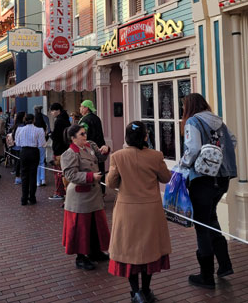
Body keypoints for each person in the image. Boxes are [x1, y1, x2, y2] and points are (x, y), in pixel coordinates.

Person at [107, 121, 172, 303]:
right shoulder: (155, 156)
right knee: (149, 252)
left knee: (129, 252)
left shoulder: (118, 156)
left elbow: (111, 183)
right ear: (145, 136)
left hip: (127, 210)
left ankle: (136, 292)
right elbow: (166, 177)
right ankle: (147, 289)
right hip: (150, 210)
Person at [178, 93, 237, 289]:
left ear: (189, 106)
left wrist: (183, 165)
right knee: (211, 219)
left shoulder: (193, 122)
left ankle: (206, 276)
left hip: (202, 180)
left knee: (201, 225)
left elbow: (193, 148)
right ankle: (225, 264)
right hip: (222, 178)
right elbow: (233, 141)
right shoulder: (219, 121)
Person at [60, 124, 111, 271]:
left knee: (95, 225)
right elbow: (70, 175)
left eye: (85, 133)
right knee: (81, 228)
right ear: (73, 138)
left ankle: (95, 252)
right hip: (80, 196)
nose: (85, 136)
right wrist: (90, 176)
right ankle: (81, 257)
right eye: (81, 134)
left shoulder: (90, 146)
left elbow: (100, 157)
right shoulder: (70, 153)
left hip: (93, 194)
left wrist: (105, 150)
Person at [14, 114, 46, 205]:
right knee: (33, 174)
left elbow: (18, 142)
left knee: (24, 175)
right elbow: (42, 144)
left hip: (24, 151)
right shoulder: (39, 130)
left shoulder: (20, 129)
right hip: (34, 151)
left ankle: (24, 198)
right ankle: (32, 197)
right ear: (33, 120)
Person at [79, 100, 107, 195]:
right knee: (100, 169)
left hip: (90, 148)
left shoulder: (85, 120)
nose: (80, 109)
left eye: (81, 107)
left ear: (86, 108)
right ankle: (102, 191)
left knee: (92, 169)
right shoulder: (96, 118)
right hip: (99, 146)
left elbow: (83, 135)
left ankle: (95, 193)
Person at [48, 103, 69, 200]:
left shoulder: (59, 121)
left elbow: (56, 136)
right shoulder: (66, 119)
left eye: (52, 110)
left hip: (59, 149)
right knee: (64, 171)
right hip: (65, 148)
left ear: (58, 110)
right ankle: (65, 190)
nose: (52, 113)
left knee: (58, 172)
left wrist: (50, 134)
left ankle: (59, 192)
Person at [33, 110, 48, 187]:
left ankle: (38, 181)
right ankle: (43, 179)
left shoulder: (34, 128)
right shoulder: (43, 127)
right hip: (42, 146)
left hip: (35, 147)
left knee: (37, 163)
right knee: (42, 162)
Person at [10, 112, 26, 185]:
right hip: (21, 146)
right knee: (20, 162)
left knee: (17, 162)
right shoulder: (21, 126)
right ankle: (19, 177)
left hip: (16, 146)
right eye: (24, 115)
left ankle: (17, 176)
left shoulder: (15, 126)